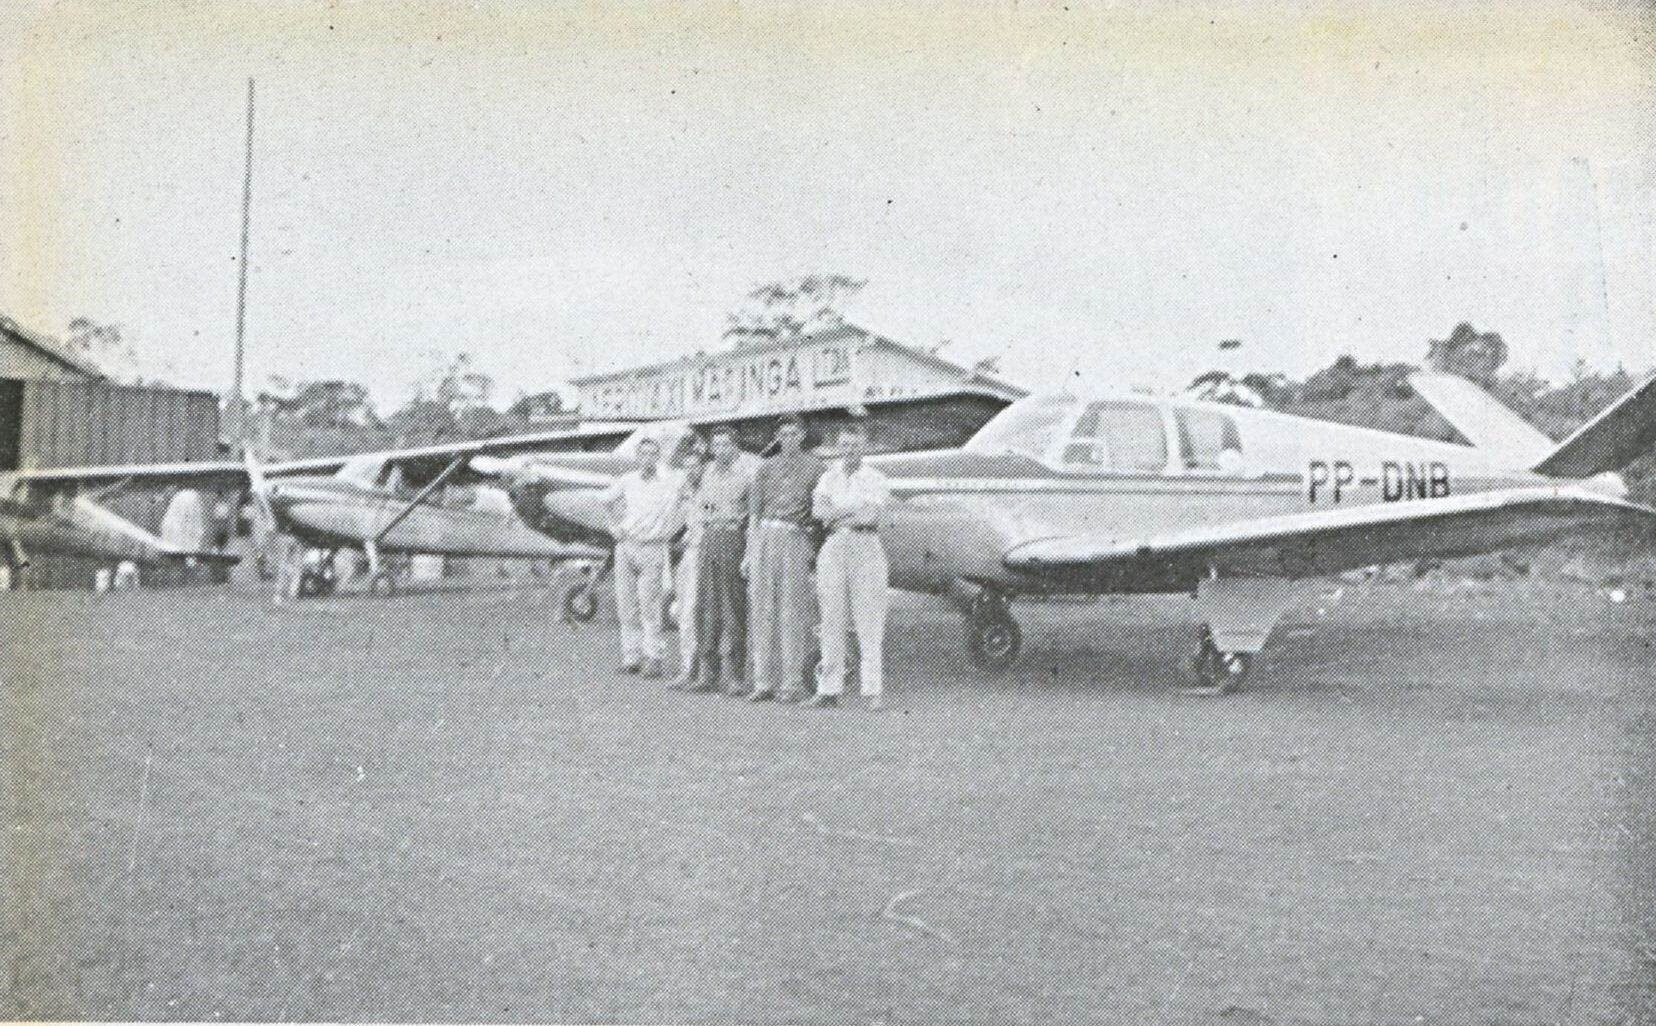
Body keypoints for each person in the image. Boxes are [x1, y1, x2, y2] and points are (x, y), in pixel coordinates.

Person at [807, 421, 892, 710]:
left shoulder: (876, 478)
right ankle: (828, 689)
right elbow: (819, 512)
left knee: (869, 619)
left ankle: (872, 691)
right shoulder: (829, 477)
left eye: (855, 445)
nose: (849, 450)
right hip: (834, 546)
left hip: (866, 547)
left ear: (864, 447)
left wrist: (837, 513)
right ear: (838, 447)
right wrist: (847, 512)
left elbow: (870, 517)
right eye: (844, 445)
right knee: (831, 617)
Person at [744, 414, 825, 702]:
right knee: (762, 609)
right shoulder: (765, 468)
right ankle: (763, 682)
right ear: (777, 437)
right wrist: (750, 552)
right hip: (765, 536)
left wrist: (812, 549)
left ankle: (791, 683)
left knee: (792, 611)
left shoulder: (816, 468)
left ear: (802, 436)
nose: (788, 439)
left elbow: (820, 513)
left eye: (793, 433)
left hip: (795, 537)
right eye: (783, 434)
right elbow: (754, 514)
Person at [599, 437, 683, 678]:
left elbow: (687, 497)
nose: (648, 458)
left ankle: (653, 657)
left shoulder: (668, 484)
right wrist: (613, 526)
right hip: (626, 546)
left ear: (659, 457)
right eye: (644, 454)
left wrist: (674, 529)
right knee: (626, 606)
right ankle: (631, 657)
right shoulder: (627, 481)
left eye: (653, 454)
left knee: (650, 605)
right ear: (637, 457)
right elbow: (604, 501)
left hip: (652, 547)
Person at [683, 427, 759, 693]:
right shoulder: (707, 474)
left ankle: (736, 674)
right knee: (705, 607)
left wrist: (748, 553)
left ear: (735, 447)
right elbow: (701, 509)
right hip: (709, 538)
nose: (720, 450)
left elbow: (753, 519)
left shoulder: (748, 473)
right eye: (716, 445)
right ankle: (708, 672)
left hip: (733, 537)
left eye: (726, 444)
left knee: (734, 609)